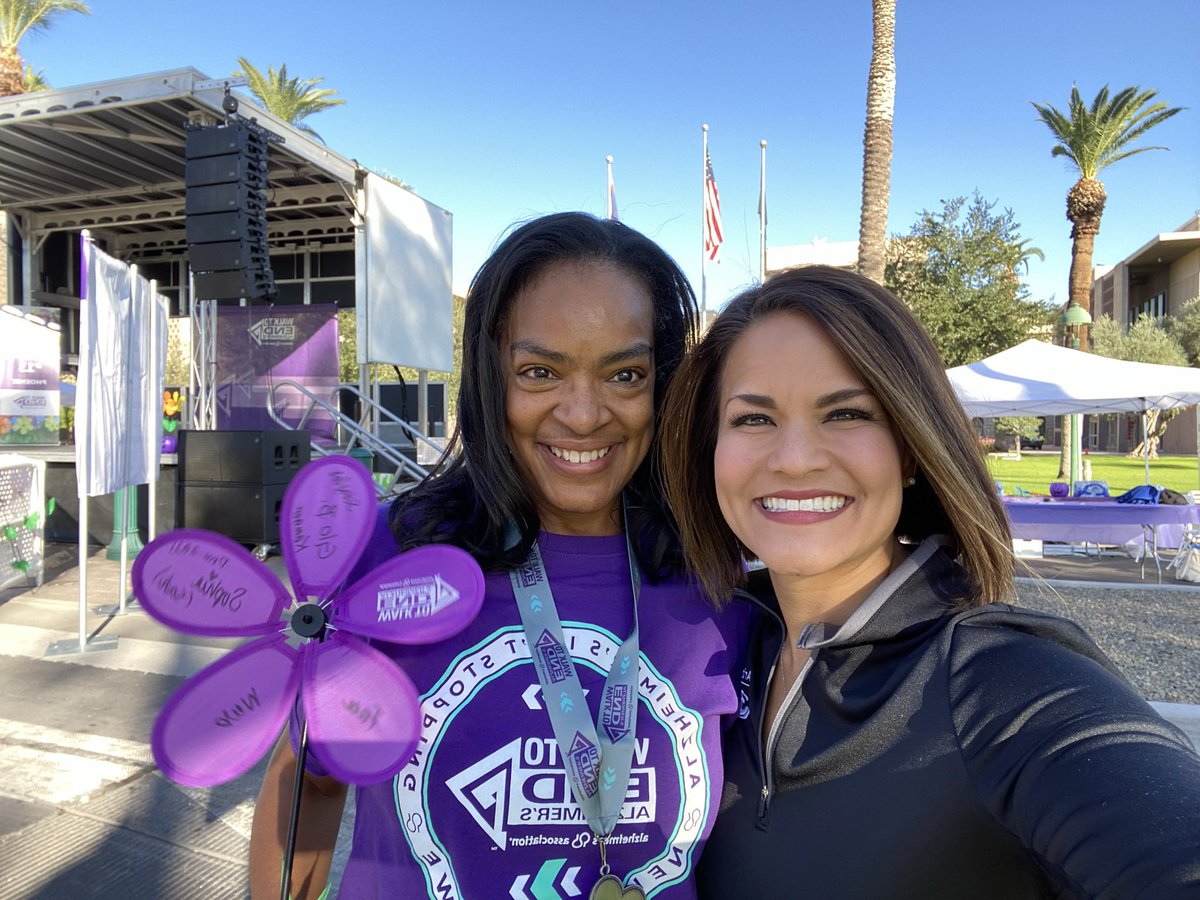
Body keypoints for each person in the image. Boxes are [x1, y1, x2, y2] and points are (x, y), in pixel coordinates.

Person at [658, 265, 1200, 898]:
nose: (795, 457)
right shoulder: (713, 647)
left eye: (846, 413)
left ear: (910, 447)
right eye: (753, 420)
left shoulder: (1000, 674)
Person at [249, 212, 745, 899]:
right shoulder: (392, 554)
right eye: (540, 372)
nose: (582, 413)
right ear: (489, 379)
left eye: (624, 374)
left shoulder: (716, 574)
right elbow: (310, 776)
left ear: (662, 386)